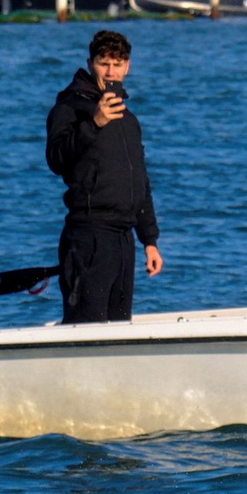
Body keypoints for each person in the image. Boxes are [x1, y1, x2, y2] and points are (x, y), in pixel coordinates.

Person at [46, 30, 163, 324]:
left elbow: (139, 181)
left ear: (127, 67)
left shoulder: (129, 120)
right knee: (87, 326)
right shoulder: (68, 108)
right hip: (89, 235)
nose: (111, 71)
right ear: (90, 63)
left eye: (118, 64)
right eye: (104, 63)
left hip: (123, 239)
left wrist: (149, 239)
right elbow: (56, 160)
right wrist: (94, 123)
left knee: (120, 327)